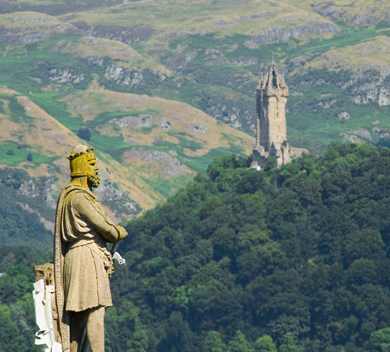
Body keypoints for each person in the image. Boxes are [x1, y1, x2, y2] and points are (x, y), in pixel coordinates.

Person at [53, 145, 128, 352]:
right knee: (95, 312)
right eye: (92, 165)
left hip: (76, 258)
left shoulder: (70, 197)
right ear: (82, 168)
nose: (96, 170)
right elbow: (108, 230)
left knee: (77, 317)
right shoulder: (79, 198)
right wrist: (119, 232)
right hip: (87, 258)